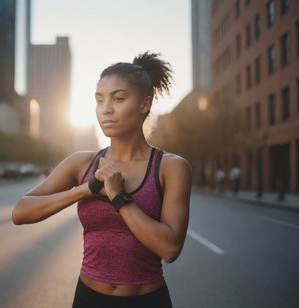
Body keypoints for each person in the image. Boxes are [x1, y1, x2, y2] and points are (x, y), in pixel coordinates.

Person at [12, 52, 191, 308]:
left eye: (118, 99)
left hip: (148, 300)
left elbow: (170, 248)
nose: (106, 109)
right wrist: (85, 190)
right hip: (89, 299)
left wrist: (119, 198)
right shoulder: (82, 163)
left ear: (144, 105)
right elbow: (20, 212)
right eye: (99, 100)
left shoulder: (170, 167)